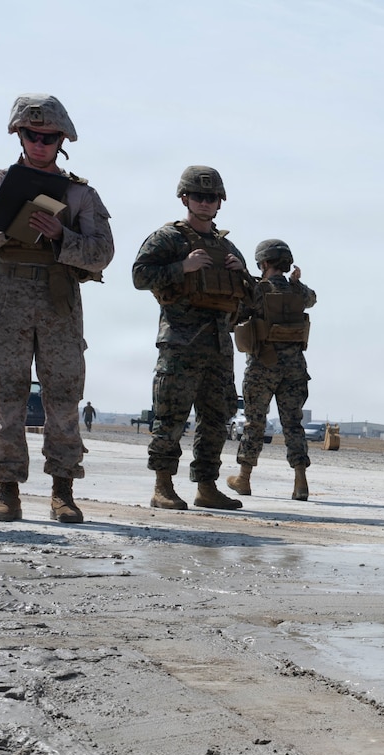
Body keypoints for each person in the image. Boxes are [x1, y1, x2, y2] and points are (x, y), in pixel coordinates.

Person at [0, 94, 113, 524]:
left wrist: (62, 235)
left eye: (49, 137)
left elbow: (102, 253)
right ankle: (6, 490)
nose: (40, 143)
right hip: (8, 294)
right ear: (19, 135)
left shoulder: (80, 194)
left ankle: (63, 491)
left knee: (63, 396)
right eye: (32, 135)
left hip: (58, 298)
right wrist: (5, 229)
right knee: (5, 395)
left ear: (62, 140)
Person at [131, 165, 255, 510]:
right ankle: (162, 486)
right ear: (184, 198)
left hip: (218, 346)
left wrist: (243, 276)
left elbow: (252, 302)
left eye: (211, 197)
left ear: (220, 202)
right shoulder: (168, 239)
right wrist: (181, 268)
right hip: (180, 344)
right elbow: (140, 275)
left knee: (216, 418)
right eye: (198, 196)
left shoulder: (228, 248)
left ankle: (206, 486)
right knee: (170, 416)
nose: (205, 202)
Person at [230, 238, 316, 500]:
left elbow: (235, 315)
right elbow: (312, 299)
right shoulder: (299, 292)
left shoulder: (258, 291)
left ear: (264, 263)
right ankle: (300, 482)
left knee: (254, 423)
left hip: (262, 367)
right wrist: (297, 283)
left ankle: (244, 478)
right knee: (294, 424)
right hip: (295, 369)